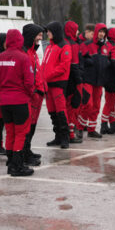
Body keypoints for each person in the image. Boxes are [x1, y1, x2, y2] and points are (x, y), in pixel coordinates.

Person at [0, 28, 35, 177]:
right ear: (19, 40)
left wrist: (4, 92)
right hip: (20, 100)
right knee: (20, 133)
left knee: (10, 132)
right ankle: (17, 166)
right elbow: (30, 82)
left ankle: (11, 161)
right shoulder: (23, 58)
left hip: (5, 101)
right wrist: (29, 94)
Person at [42, 21, 72, 149]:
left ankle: (65, 137)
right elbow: (44, 64)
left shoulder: (64, 46)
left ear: (55, 31)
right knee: (52, 112)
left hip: (58, 84)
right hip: (48, 84)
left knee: (60, 111)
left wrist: (47, 76)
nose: (47, 33)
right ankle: (58, 136)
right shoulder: (50, 46)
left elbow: (64, 66)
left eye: (49, 31)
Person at [21, 24, 45, 166]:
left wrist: (43, 88)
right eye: (38, 35)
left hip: (37, 95)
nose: (41, 38)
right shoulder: (25, 53)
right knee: (27, 126)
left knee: (33, 125)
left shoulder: (33, 52)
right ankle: (24, 153)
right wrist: (34, 91)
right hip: (31, 95)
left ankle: (27, 150)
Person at [83, 23, 110, 138]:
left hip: (99, 82)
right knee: (87, 105)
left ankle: (91, 129)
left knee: (96, 106)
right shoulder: (87, 45)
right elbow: (82, 60)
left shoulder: (105, 47)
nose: (102, 34)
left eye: (104, 32)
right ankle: (80, 128)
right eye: (100, 31)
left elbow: (106, 63)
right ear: (96, 32)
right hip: (88, 79)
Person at [63, 21, 84, 144]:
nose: (78, 32)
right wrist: (79, 82)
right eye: (76, 30)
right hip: (73, 81)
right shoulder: (73, 45)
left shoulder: (63, 43)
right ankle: (71, 133)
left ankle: (64, 132)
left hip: (64, 81)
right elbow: (75, 65)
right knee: (72, 108)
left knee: (64, 107)